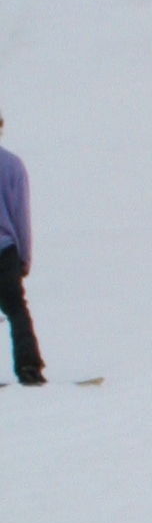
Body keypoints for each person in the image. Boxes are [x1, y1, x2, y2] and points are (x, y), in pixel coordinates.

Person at [0, 110, 45, 386]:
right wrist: (24, 258)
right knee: (16, 308)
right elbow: (21, 218)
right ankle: (29, 367)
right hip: (6, 252)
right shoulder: (13, 166)